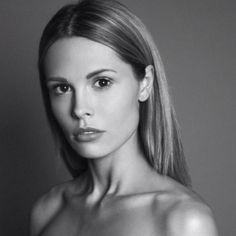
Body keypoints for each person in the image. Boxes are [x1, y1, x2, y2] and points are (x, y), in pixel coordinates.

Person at [30, 0, 218, 235]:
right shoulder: (48, 211)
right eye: (62, 88)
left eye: (102, 82)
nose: (79, 109)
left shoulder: (183, 221)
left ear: (145, 83)